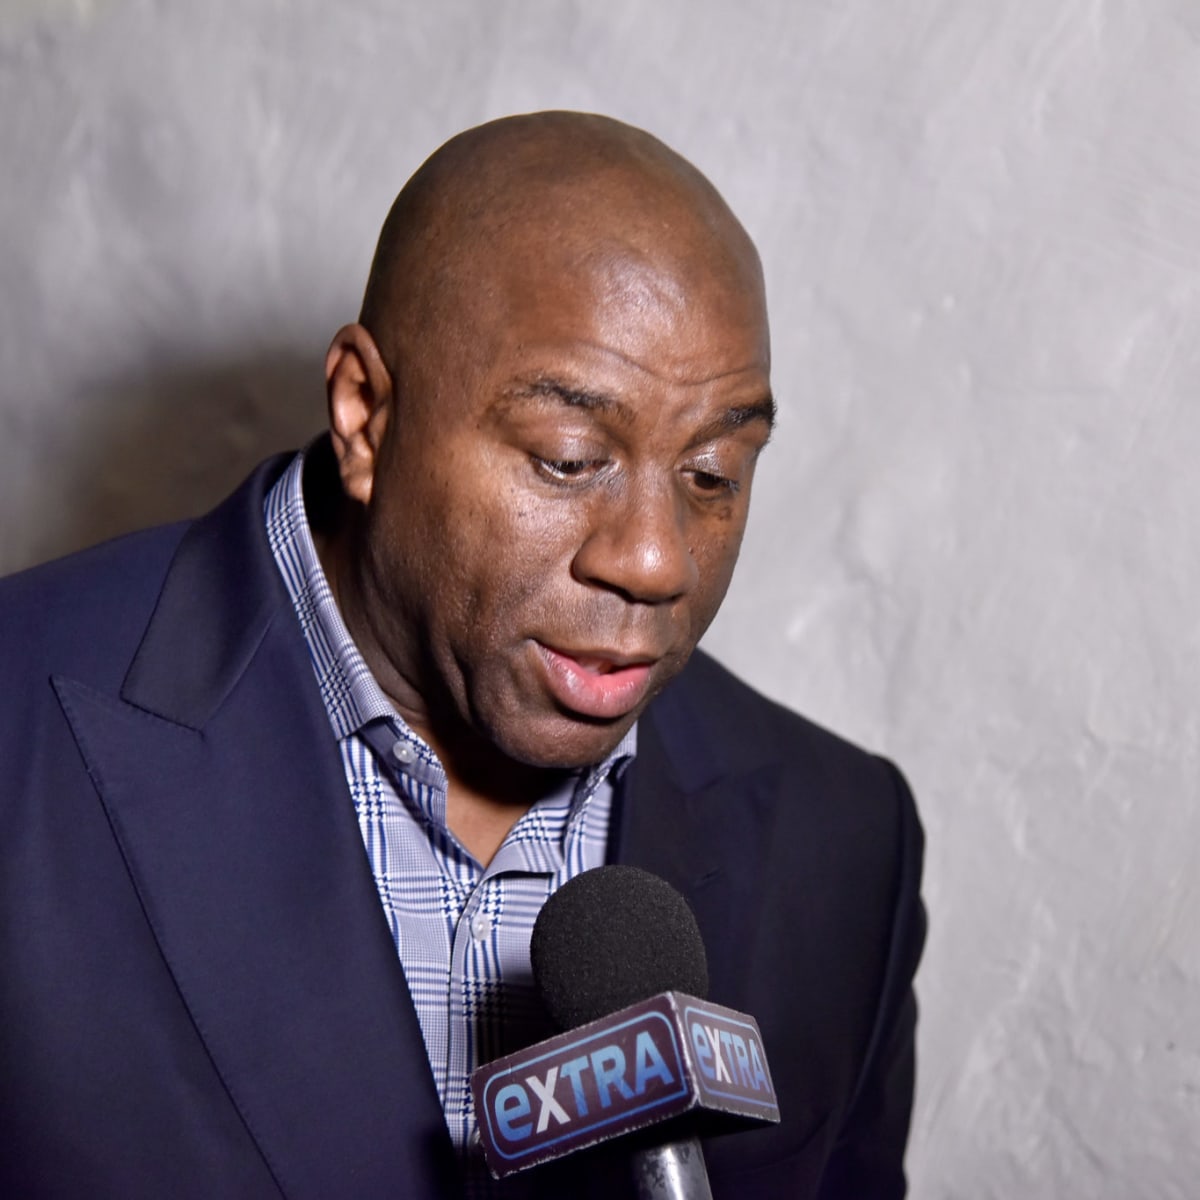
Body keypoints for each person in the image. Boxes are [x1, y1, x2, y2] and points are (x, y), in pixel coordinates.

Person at [0, 112, 925, 1198]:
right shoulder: (23, 737)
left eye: (713, 472)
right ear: (364, 415)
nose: (654, 560)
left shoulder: (843, 845)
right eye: (569, 459)